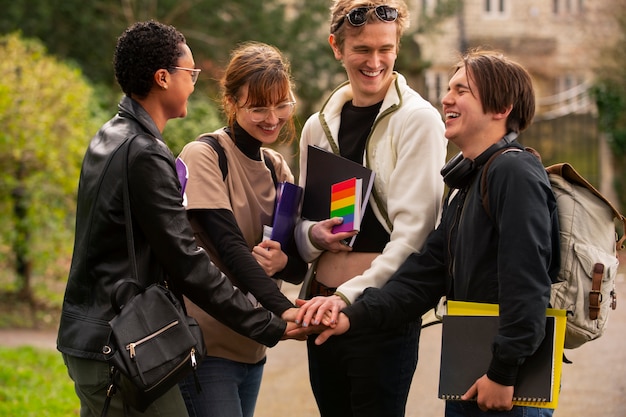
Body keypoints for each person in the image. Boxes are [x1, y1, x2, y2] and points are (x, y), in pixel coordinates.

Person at [56, 21, 303, 417]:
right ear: (163, 78)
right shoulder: (145, 152)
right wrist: (272, 323)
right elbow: (188, 262)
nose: (193, 83)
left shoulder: (110, 136)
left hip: (95, 337)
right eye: (190, 74)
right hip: (120, 345)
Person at [312, 49, 561, 417]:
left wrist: (504, 372)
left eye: (462, 91)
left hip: (506, 389)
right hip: (469, 377)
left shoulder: (514, 173)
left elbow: (527, 285)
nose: (446, 98)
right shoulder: (469, 183)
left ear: (501, 107)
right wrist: (352, 313)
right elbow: (423, 277)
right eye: (448, 89)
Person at [293, 1, 448, 416]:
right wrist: (311, 236)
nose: (375, 61)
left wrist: (347, 297)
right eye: (362, 48)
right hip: (320, 305)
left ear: (398, 46)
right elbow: (304, 223)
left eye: (386, 48)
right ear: (336, 47)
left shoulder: (420, 120)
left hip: (378, 311)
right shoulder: (317, 124)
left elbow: (415, 237)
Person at [175, 41, 307, 417]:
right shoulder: (205, 155)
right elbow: (230, 248)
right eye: (258, 107)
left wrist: (283, 261)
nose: (273, 118)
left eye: (282, 104)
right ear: (232, 103)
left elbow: (297, 266)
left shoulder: (278, 167)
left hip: (254, 347)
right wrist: (285, 312)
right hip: (208, 347)